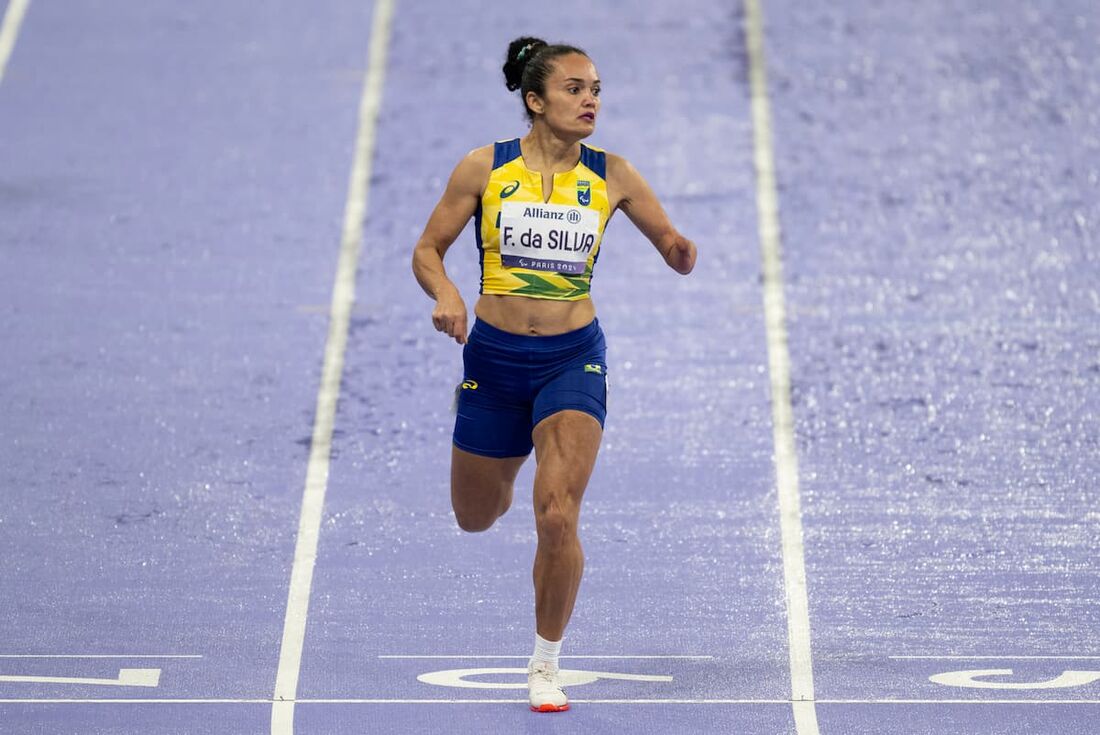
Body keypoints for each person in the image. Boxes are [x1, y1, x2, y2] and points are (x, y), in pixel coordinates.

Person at [411, 36, 696, 713]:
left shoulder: (614, 174)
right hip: (494, 359)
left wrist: (681, 251)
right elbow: (428, 248)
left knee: (558, 514)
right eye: (574, 88)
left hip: (572, 358)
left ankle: (545, 662)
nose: (591, 98)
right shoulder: (484, 168)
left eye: (595, 87)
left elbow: (672, 245)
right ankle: (506, 463)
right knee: (476, 515)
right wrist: (446, 293)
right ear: (535, 101)